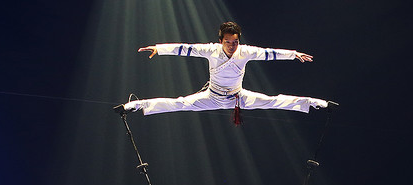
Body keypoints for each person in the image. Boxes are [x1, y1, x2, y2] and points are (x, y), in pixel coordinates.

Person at [116, 21, 334, 123]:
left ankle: (313, 102)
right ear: (221, 41)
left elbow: (269, 53)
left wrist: (293, 53)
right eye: (228, 42)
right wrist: (159, 49)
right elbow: (186, 49)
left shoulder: (245, 52)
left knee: (272, 100)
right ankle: (138, 105)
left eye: (235, 42)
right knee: (180, 103)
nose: (232, 46)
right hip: (212, 97)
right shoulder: (211, 50)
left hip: (238, 97)